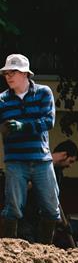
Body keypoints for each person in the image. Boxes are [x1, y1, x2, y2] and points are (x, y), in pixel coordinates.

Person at [0, 54, 60, 243]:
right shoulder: (2, 100)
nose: (9, 76)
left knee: (51, 208)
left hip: (41, 159)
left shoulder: (44, 93)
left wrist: (22, 126)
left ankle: (45, 250)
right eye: (6, 73)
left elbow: (49, 121)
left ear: (26, 74)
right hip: (15, 160)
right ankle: (8, 251)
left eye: (14, 72)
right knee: (13, 207)